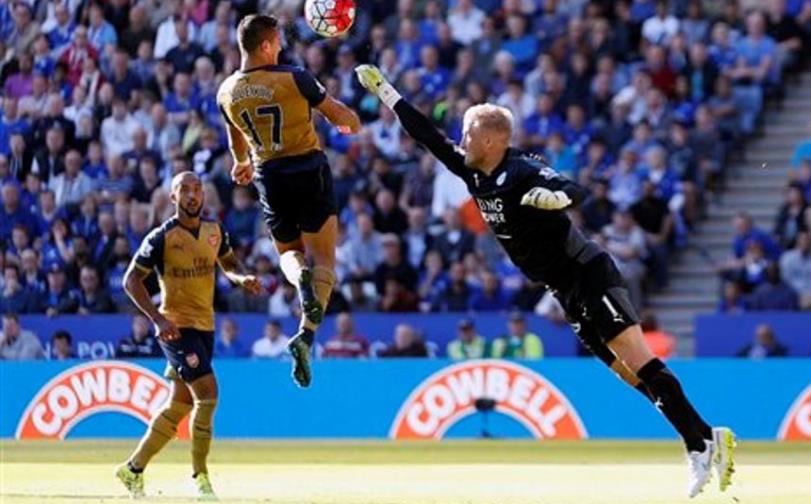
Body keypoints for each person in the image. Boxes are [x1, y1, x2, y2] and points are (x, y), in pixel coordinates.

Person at [356, 63, 733, 497]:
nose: (461, 141)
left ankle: (698, 445)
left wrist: (555, 198)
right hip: (563, 289)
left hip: (587, 271)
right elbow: (427, 136)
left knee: (639, 358)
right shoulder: (473, 171)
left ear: (493, 139)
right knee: (627, 373)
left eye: (469, 133)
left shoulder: (520, 170)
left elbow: (577, 190)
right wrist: (387, 93)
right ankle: (705, 435)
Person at [217, 14, 361, 387]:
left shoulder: (226, 91)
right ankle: (306, 335)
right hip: (308, 168)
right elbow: (343, 118)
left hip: (269, 175)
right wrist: (351, 122)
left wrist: (240, 162)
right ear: (265, 45)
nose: (280, 45)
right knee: (325, 259)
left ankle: (301, 285)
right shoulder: (294, 77)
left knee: (287, 254)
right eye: (277, 40)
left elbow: (235, 137)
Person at [115, 172, 262, 500]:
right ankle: (200, 477)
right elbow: (131, 281)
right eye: (185, 190)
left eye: (197, 190)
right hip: (177, 329)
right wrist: (157, 319)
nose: (193, 195)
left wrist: (242, 278)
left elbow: (229, 263)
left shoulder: (215, 231)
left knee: (180, 404)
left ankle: (132, 469)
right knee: (208, 395)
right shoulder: (162, 237)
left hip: (205, 327)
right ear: (173, 198)